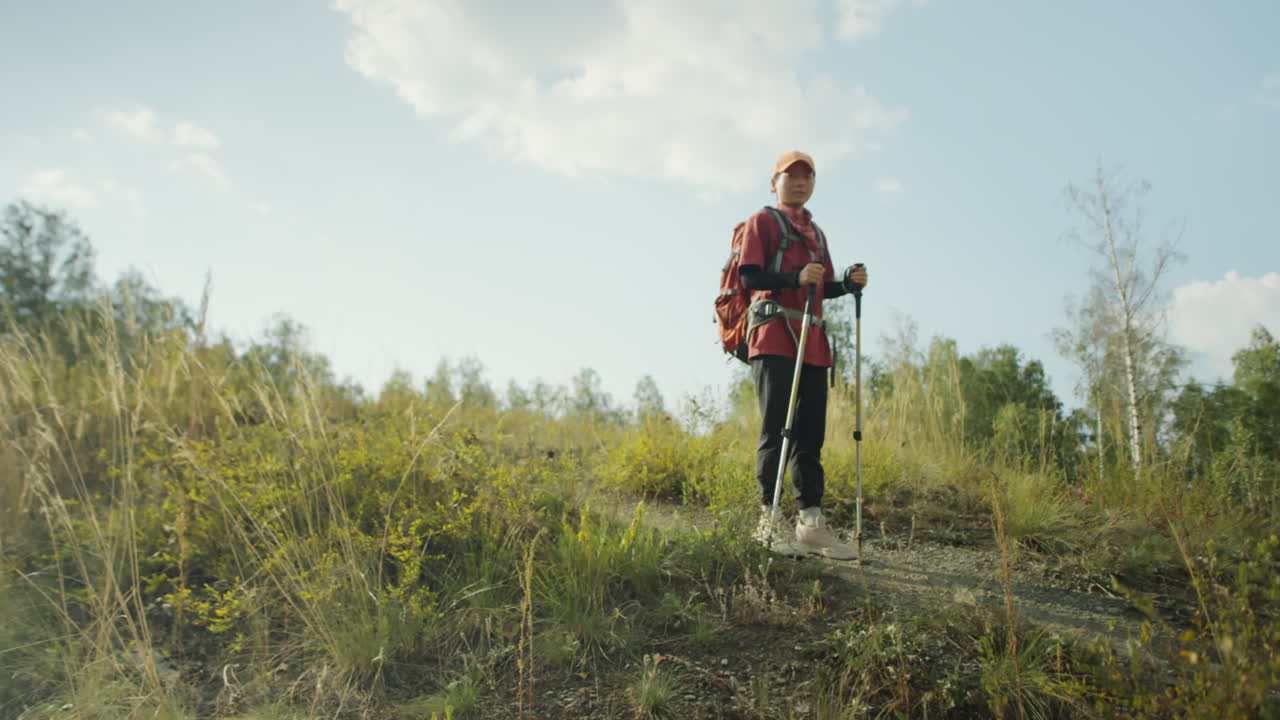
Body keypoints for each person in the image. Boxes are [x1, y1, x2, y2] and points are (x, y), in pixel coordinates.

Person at [738, 150, 868, 560]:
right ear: (774, 182)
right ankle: (768, 521)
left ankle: (811, 523)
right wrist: (795, 277)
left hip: (812, 342)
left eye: (806, 176)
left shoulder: (817, 234)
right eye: (790, 176)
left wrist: (846, 284)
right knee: (777, 428)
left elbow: (820, 287)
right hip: (774, 335)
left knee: (811, 435)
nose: (799, 182)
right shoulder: (762, 221)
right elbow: (750, 276)